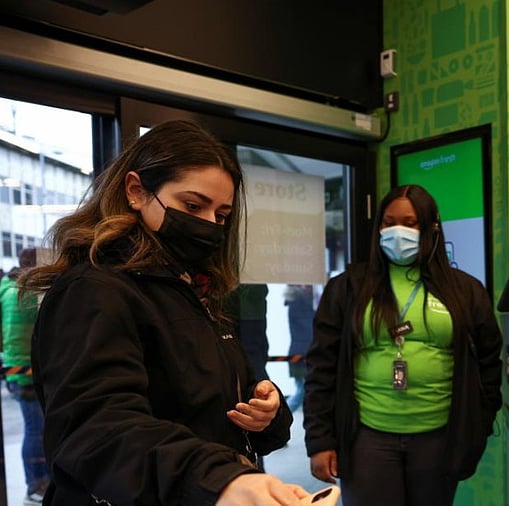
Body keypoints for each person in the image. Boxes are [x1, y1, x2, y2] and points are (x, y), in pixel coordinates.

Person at [18, 119, 309, 505]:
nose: (208, 225)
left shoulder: (198, 289)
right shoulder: (94, 289)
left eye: (221, 215)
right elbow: (98, 428)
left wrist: (268, 415)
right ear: (136, 191)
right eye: (193, 205)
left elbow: (214, 401)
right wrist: (218, 479)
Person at [303, 184, 503, 506]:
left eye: (410, 223)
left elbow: (489, 364)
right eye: (389, 222)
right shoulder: (349, 287)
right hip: (366, 437)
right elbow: (321, 367)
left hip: (439, 437)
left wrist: (476, 426)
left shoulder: (465, 290)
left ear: (431, 227)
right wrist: (319, 440)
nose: (398, 231)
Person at [1, 247, 50, 505]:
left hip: (15, 369)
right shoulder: (26, 294)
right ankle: (36, 484)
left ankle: (38, 482)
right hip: (26, 371)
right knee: (35, 430)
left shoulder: (7, 291)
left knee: (34, 428)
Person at [283, 284, 315, 412]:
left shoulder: (294, 301)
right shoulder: (301, 302)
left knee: (302, 390)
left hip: (298, 351)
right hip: (303, 353)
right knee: (302, 391)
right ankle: (282, 415)